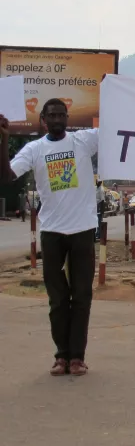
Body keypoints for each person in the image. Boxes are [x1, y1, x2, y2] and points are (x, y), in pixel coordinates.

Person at [0, 101, 98, 377]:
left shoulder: (84, 141)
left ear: (67, 118)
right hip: (52, 232)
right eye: (51, 115)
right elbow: (6, 176)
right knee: (57, 299)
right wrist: (5, 137)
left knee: (81, 297)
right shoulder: (34, 149)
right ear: (43, 120)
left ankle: (77, 357)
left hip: (82, 230)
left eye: (61, 115)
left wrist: (112, 93)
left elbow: (117, 130)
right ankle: (61, 357)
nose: (56, 119)